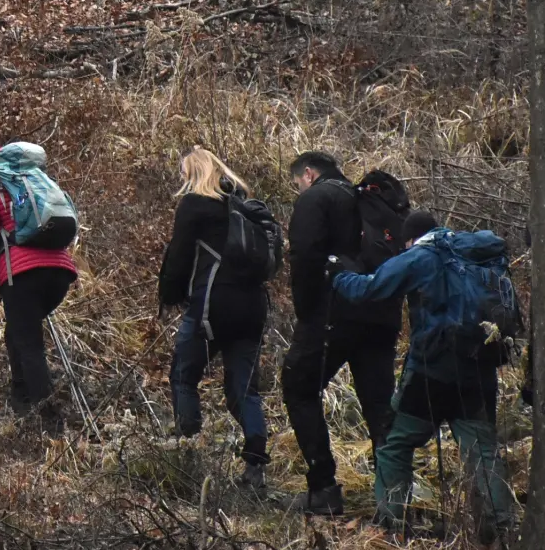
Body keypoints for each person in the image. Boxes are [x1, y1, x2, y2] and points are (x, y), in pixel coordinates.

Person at [331, 212, 518, 541]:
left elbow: (370, 289)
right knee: (483, 452)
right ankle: (503, 533)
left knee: (394, 445)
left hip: (431, 372)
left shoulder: (422, 256)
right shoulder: (478, 255)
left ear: (409, 239)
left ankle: (389, 526)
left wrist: (337, 274)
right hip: (480, 369)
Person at [279, 150, 399, 516]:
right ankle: (394, 496)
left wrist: (306, 312)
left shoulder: (316, 198)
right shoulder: (366, 200)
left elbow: (304, 256)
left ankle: (324, 489)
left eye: (298, 181)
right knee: (379, 403)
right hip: (381, 314)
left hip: (332, 315)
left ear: (309, 174)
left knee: (298, 385)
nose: (299, 187)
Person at [157, 148, 270, 488]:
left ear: (192, 173)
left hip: (211, 304)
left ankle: (187, 453)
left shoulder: (195, 204)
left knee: (183, 374)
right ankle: (255, 468)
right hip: (253, 309)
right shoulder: (246, 208)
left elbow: (178, 255)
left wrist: (169, 296)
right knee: (243, 389)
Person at [0, 142, 79, 431]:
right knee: (17, 332)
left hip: (23, 274)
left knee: (29, 344)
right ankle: (20, 397)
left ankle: (49, 422)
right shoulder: (29, 177)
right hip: (60, 271)